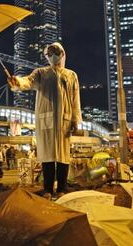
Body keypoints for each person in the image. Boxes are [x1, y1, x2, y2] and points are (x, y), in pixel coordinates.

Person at [8, 42, 82, 200]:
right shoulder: (41, 73)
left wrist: (76, 120)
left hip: (65, 121)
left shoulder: (71, 75)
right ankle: (48, 188)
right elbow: (27, 81)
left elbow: (76, 100)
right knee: (47, 155)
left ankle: (62, 188)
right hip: (46, 120)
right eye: (50, 53)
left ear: (63, 53)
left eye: (56, 52)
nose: (53, 55)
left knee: (63, 156)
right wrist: (17, 82)